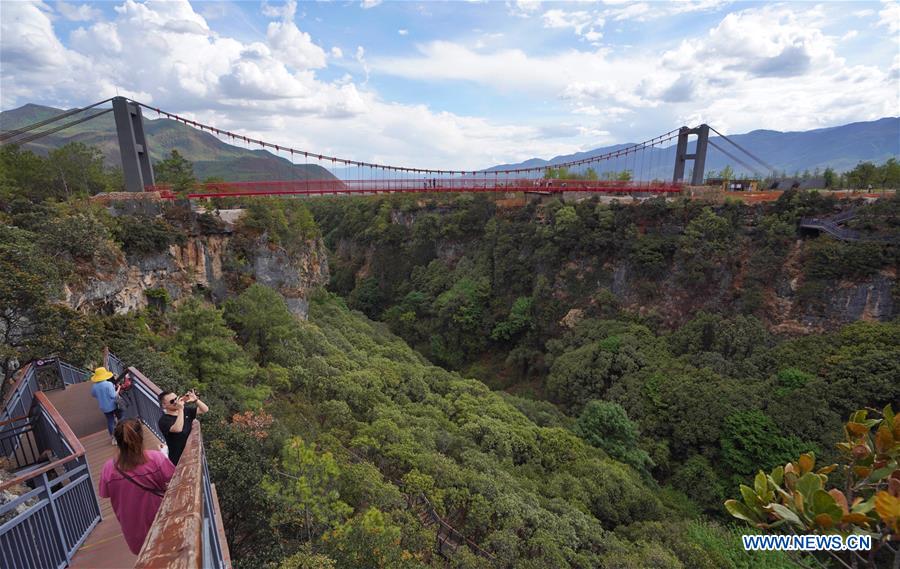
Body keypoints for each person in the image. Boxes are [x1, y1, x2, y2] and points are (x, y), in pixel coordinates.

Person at [99, 419, 175, 555]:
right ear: (141, 437)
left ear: (117, 441)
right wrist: (164, 455)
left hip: (132, 525)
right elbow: (173, 476)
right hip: (160, 518)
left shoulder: (108, 468)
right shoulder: (155, 458)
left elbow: (104, 493)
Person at [157, 389, 208, 466]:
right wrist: (180, 409)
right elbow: (177, 429)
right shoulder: (163, 421)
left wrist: (196, 400)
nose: (176, 402)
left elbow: (205, 410)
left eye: (176, 398)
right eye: (172, 401)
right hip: (178, 459)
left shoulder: (186, 411)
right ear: (164, 405)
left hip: (191, 453)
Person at [90, 367, 121, 445]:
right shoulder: (108, 384)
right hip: (113, 405)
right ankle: (122, 433)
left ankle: (113, 438)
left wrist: (101, 396)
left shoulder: (94, 386)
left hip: (103, 407)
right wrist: (118, 389)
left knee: (110, 421)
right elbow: (113, 396)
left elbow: (93, 395)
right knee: (120, 417)